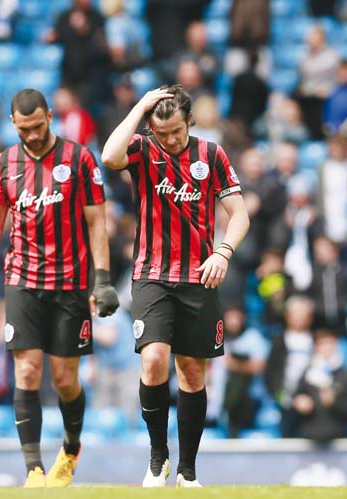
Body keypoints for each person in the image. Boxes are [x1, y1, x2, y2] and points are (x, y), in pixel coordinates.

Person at [0, 88, 119, 488]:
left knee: (64, 380)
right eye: (24, 129)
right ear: (14, 124)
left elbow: (97, 222)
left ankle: (71, 448)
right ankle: (34, 470)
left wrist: (103, 279)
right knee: (25, 371)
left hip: (70, 284)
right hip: (22, 280)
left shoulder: (79, 159)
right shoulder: (3, 165)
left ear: (49, 116)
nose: (31, 135)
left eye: (38, 126)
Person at [101, 84, 250, 487]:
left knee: (191, 373)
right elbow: (109, 156)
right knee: (153, 359)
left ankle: (188, 470)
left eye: (176, 132)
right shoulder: (143, 149)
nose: (168, 140)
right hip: (151, 274)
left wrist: (222, 252)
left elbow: (239, 214)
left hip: (198, 276)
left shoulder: (211, 155)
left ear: (190, 122)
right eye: (160, 132)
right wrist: (141, 107)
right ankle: (157, 457)